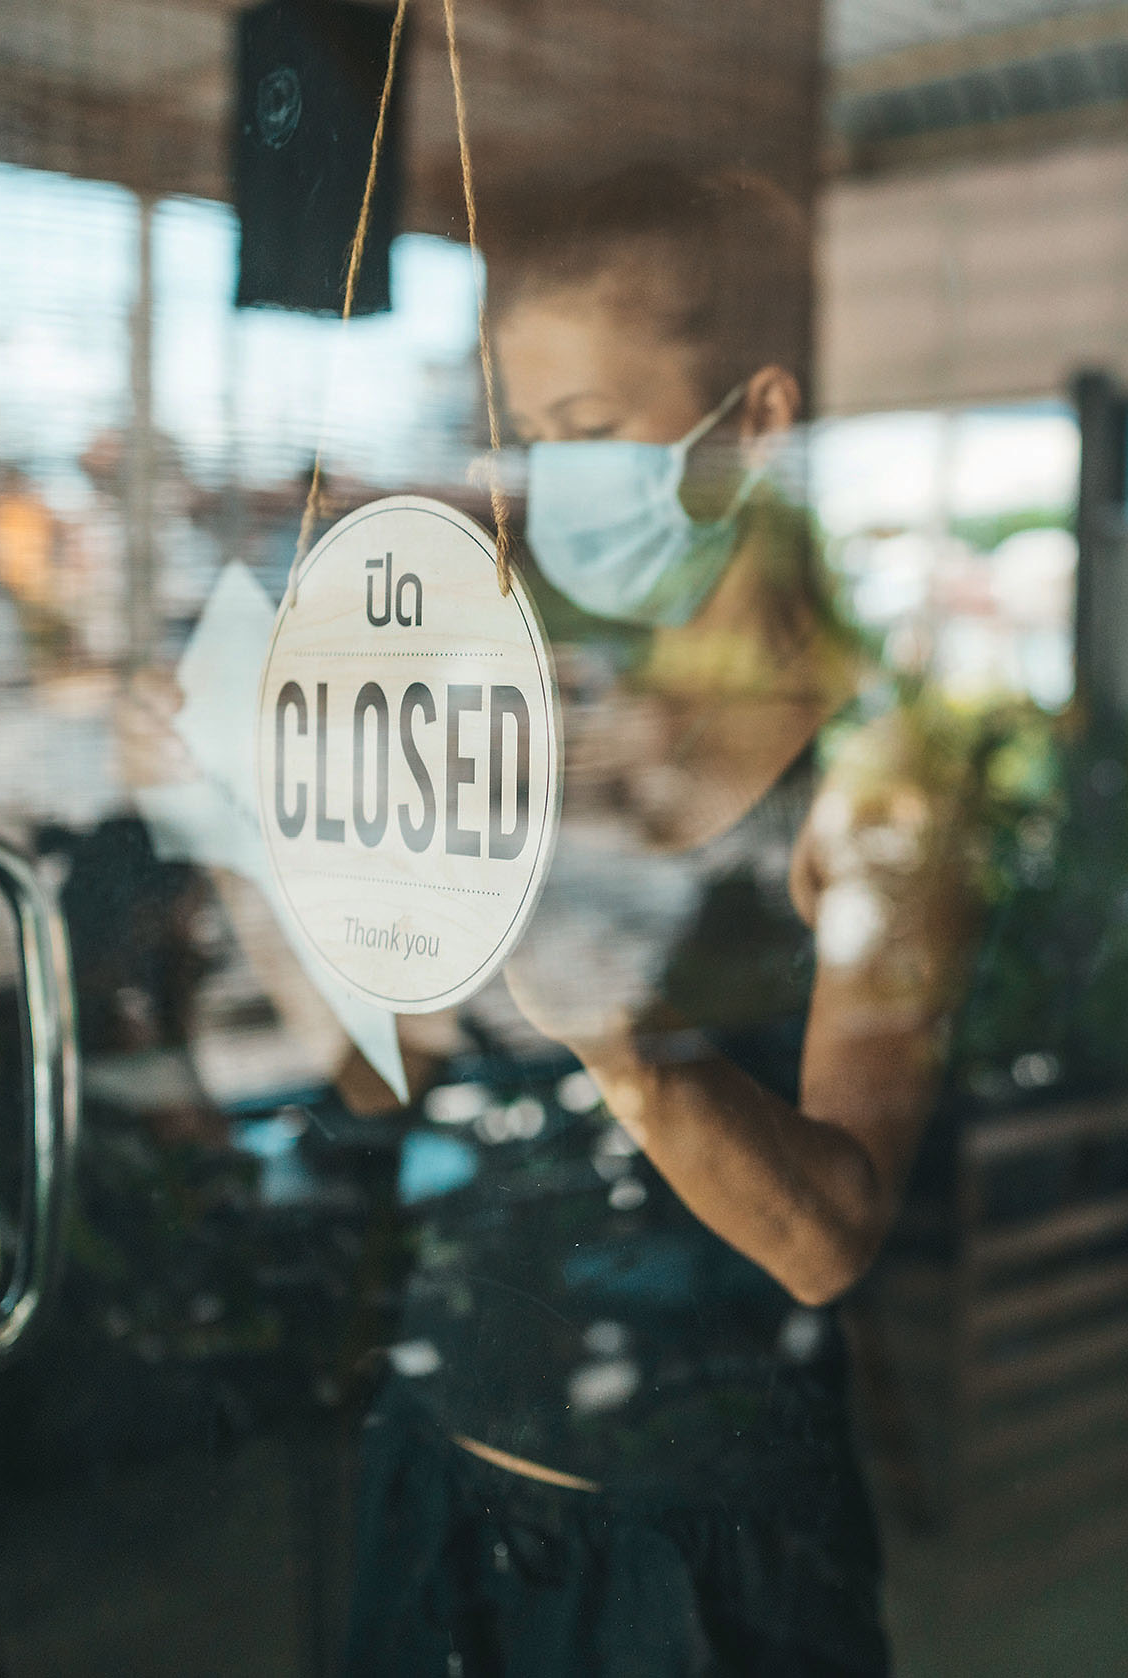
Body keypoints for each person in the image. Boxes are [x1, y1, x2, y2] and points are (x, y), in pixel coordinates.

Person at [342, 163, 977, 1677]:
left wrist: (630, 1045)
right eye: (529, 434)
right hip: (439, 1485)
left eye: (589, 429)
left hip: (701, 1558)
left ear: (757, 420)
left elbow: (828, 1239)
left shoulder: (879, 773)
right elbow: (389, 1075)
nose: (550, 480)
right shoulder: (558, 712)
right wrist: (272, 855)